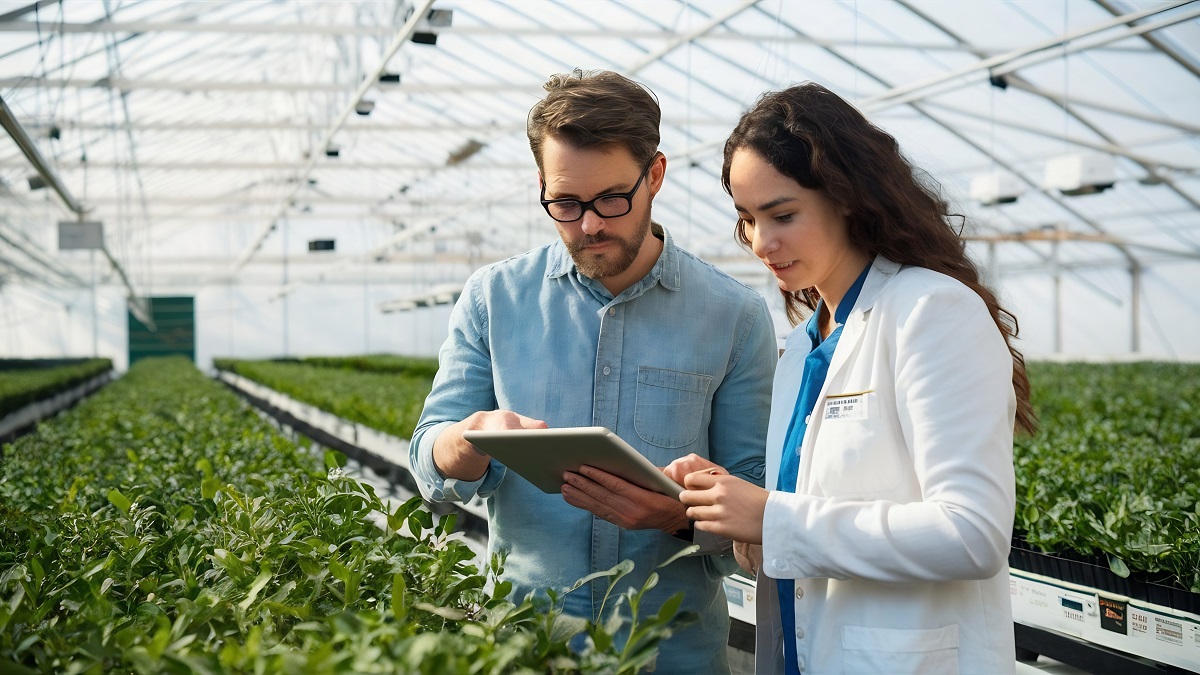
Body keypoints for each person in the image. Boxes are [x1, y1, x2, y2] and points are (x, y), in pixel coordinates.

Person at [409, 69, 777, 673]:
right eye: (565, 203)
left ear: (654, 175)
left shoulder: (733, 316)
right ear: (542, 186)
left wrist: (680, 516)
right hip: (524, 646)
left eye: (611, 198)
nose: (588, 225)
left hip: (670, 654)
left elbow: (758, 498)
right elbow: (428, 459)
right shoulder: (493, 299)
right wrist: (465, 440)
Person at [678, 82, 1038, 675]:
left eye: (783, 215)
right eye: (746, 220)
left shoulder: (930, 311)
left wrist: (772, 516)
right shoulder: (803, 345)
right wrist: (730, 509)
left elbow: (972, 532)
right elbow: (811, 522)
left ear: (847, 197)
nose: (761, 243)